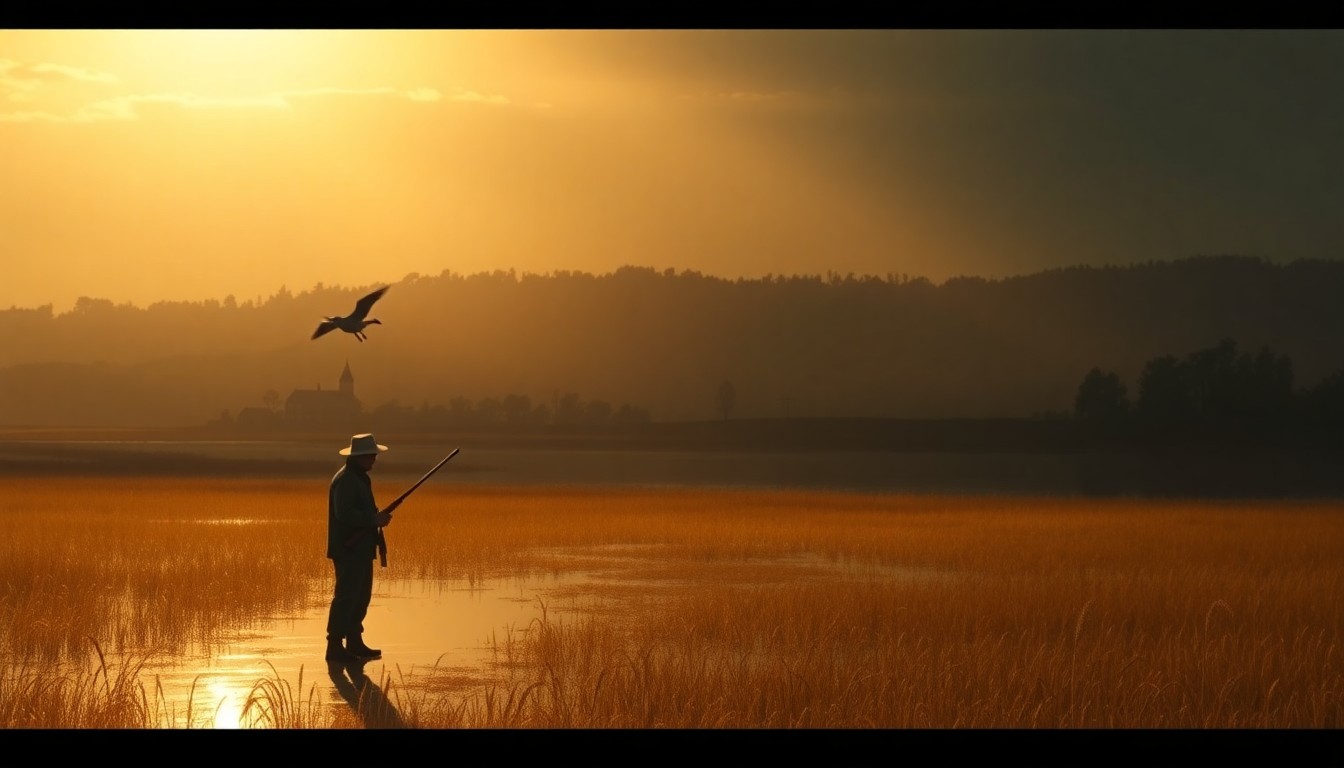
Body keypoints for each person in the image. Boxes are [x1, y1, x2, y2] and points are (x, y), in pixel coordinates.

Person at [325, 432, 393, 663]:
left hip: (360, 549)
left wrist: (375, 517)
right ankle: (334, 647)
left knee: (360, 597)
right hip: (349, 550)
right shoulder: (347, 480)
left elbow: (357, 511)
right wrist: (373, 520)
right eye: (371, 456)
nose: (374, 459)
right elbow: (343, 513)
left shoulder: (357, 477)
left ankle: (354, 642)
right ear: (360, 457)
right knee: (346, 597)